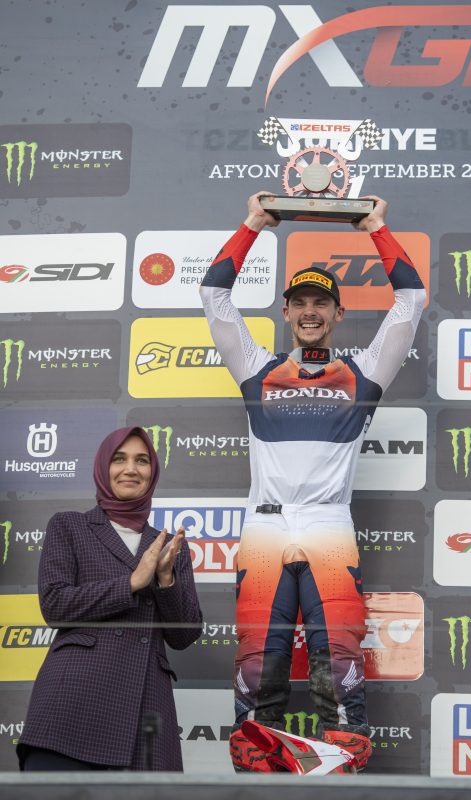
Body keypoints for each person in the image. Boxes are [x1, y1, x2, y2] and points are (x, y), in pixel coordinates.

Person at [199, 192, 426, 773]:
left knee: (340, 660)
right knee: (257, 663)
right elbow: (214, 295)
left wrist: (376, 228)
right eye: (299, 302)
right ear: (285, 312)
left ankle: (343, 762)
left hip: (328, 526)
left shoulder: (364, 372)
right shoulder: (256, 368)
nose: (309, 311)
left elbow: (410, 300)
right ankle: (257, 765)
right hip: (265, 528)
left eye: (320, 302)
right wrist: (253, 222)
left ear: (337, 314)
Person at [17, 426, 202, 771]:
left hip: (146, 707)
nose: (131, 469)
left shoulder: (169, 545)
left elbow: (184, 634)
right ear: (104, 467)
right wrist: (131, 583)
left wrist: (165, 579)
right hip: (73, 702)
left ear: (153, 472)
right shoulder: (69, 525)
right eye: (120, 459)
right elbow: (55, 605)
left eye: (142, 460)